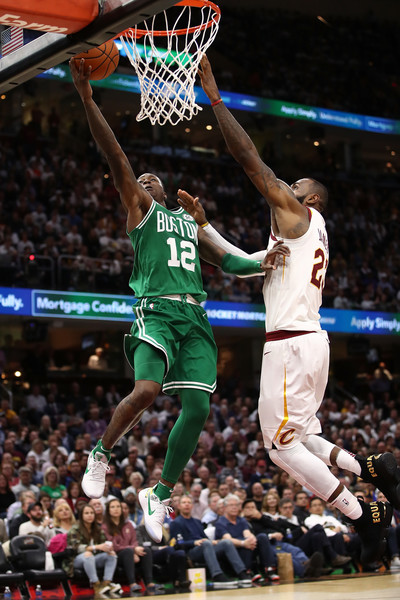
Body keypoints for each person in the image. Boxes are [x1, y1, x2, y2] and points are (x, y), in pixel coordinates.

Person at [178, 54, 399, 565]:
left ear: (311, 200)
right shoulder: (292, 246)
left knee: (279, 448)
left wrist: (213, 99)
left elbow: (251, 162)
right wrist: (202, 224)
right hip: (308, 342)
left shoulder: (300, 217)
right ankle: (373, 468)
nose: (287, 189)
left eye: (296, 186)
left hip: (291, 345)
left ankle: (360, 513)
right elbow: (234, 262)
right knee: (302, 437)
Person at [69, 58, 284, 544]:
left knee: (198, 408)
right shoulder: (141, 212)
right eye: (139, 183)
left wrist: (260, 263)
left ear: (164, 187)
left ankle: (160, 492)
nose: (143, 181)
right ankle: (101, 452)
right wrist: (86, 97)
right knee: (146, 392)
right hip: (157, 309)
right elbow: (117, 159)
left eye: (151, 179)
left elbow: (227, 262)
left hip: (195, 315)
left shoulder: (187, 221)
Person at [170, 495, 252, 588]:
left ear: (192, 505)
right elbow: (176, 544)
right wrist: (194, 542)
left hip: (205, 547)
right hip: (191, 551)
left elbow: (205, 538)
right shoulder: (176, 523)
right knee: (206, 543)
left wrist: (213, 542)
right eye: (184, 503)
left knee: (226, 542)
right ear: (179, 506)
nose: (187, 505)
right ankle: (217, 575)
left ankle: (241, 572)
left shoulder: (197, 521)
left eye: (189, 503)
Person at [214, 493, 279, 583]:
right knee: (245, 545)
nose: (234, 507)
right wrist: (244, 543)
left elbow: (247, 533)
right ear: (225, 508)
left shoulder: (241, 520)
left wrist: (251, 539)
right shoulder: (220, 522)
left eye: (236, 505)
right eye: (231, 505)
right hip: (232, 552)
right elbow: (228, 539)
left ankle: (269, 569)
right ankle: (249, 571)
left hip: (246, 547)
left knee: (262, 537)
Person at [102, 498, 159, 595]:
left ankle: (149, 582)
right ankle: (132, 583)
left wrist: (135, 550)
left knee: (146, 550)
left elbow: (134, 541)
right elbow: (113, 546)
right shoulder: (105, 526)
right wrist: (132, 550)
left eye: (118, 507)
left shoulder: (128, 524)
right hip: (116, 555)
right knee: (128, 551)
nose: (116, 509)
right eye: (113, 507)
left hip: (130, 552)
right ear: (108, 510)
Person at [63, 504, 118, 598]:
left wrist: (107, 547)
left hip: (94, 558)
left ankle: (106, 583)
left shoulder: (98, 529)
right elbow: (76, 547)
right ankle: (96, 584)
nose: (90, 515)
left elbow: (102, 544)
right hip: (75, 560)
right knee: (88, 554)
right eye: (87, 513)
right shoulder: (75, 529)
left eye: (92, 513)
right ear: (81, 515)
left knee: (111, 554)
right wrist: (96, 547)